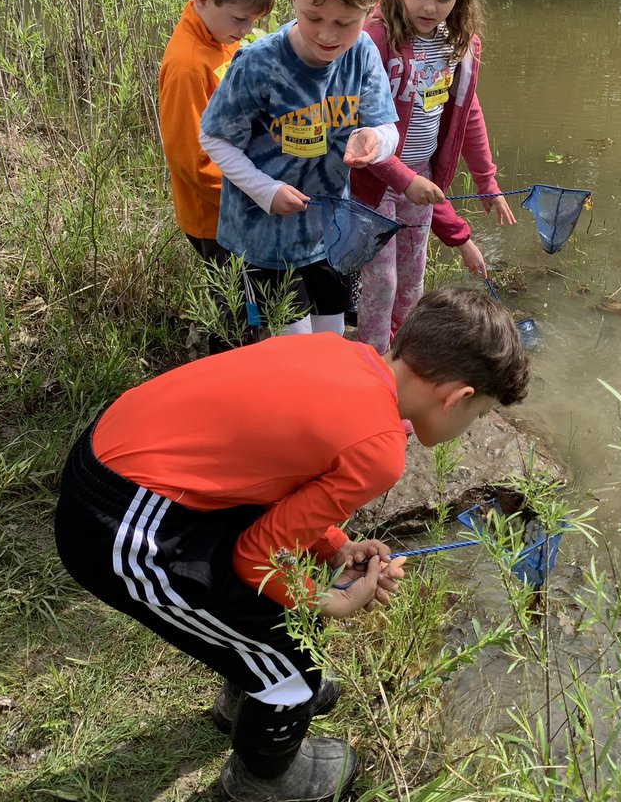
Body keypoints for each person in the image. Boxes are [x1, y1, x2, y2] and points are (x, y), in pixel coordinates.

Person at [54, 285, 529, 802]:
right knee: (292, 664)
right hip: (124, 525)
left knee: (273, 624)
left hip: (124, 466)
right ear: (457, 397)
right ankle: (265, 778)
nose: (472, 424)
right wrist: (335, 600)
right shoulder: (381, 449)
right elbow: (256, 557)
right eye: (479, 415)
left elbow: (274, 478)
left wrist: (335, 547)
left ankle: (247, 687)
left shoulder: (340, 352)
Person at [199, 0, 398, 338]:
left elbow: (387, 127)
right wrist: (265, 190)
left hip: (329, 233)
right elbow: (213, 138)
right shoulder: (258, 64)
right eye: (313, 17)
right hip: (264, 239)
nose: (327, 35)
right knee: (291, 344)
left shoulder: (362, 53)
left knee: (331, 334)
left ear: (372, 7)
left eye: (344, 22)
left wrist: (374, 142)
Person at [350, 0, 517, 353]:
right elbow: (357, 125)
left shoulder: (458, 45)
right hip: (375, 178)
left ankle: (402, 355)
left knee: (413, 275)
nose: (430, 7)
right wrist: (402, 179)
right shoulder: (376, 39)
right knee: (380, 280)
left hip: (421, 175)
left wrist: (487, 181)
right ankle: (374, 361)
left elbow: (468, 113)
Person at [158, 0, 276, 272]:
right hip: (215, 216)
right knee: (238, 306)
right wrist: (256, 195)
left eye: (253, 21)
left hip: (240, 198)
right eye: (240, 19)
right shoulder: (188, 65)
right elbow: (192, 160)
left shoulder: (219, 36)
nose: (247, 30)